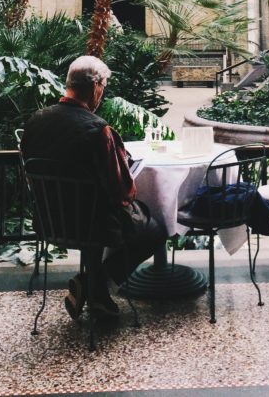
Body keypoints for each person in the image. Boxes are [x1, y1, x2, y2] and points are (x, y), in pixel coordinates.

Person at [22, 55, 165, 319]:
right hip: (94, 225)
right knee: (155, 230)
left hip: (50, 220)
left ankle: (97, 293)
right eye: (104, 87)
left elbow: (31, 178)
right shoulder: (99, 131)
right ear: (96, 86)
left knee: (94, 212)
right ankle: (93, 285)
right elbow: (122, 191)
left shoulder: (35, 122)